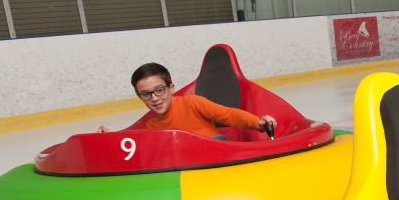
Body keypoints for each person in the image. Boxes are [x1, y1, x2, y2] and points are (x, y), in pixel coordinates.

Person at [97, 62, 276, 137]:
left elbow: (228, 115)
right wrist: (112, 137)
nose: (154, 98)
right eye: (146, 94)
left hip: (217, 154)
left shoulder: (193, 103)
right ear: (140, 97)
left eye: (159, 90)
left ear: (171, 87)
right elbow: (136, 142)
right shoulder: (152, 126)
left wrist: (257, 123)